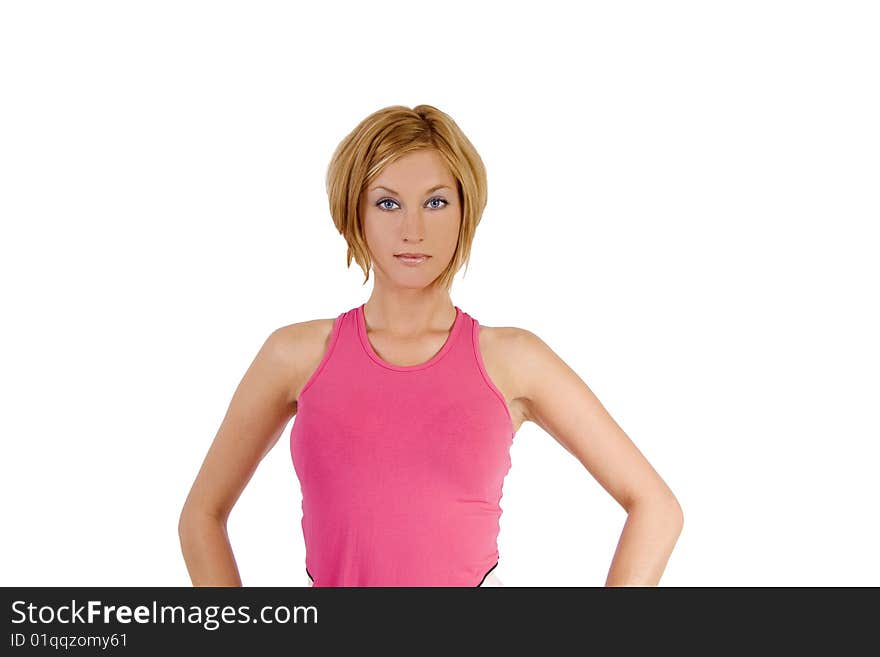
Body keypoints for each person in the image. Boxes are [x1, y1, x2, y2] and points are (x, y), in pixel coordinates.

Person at [178, 104, 684, 587]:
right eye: (388, 202)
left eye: (436, 202)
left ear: (465, 212)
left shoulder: (512, 360)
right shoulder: (294, 356)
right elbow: (202, 515)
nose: (412, 229)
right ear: (355, 212)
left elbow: (655, 507)